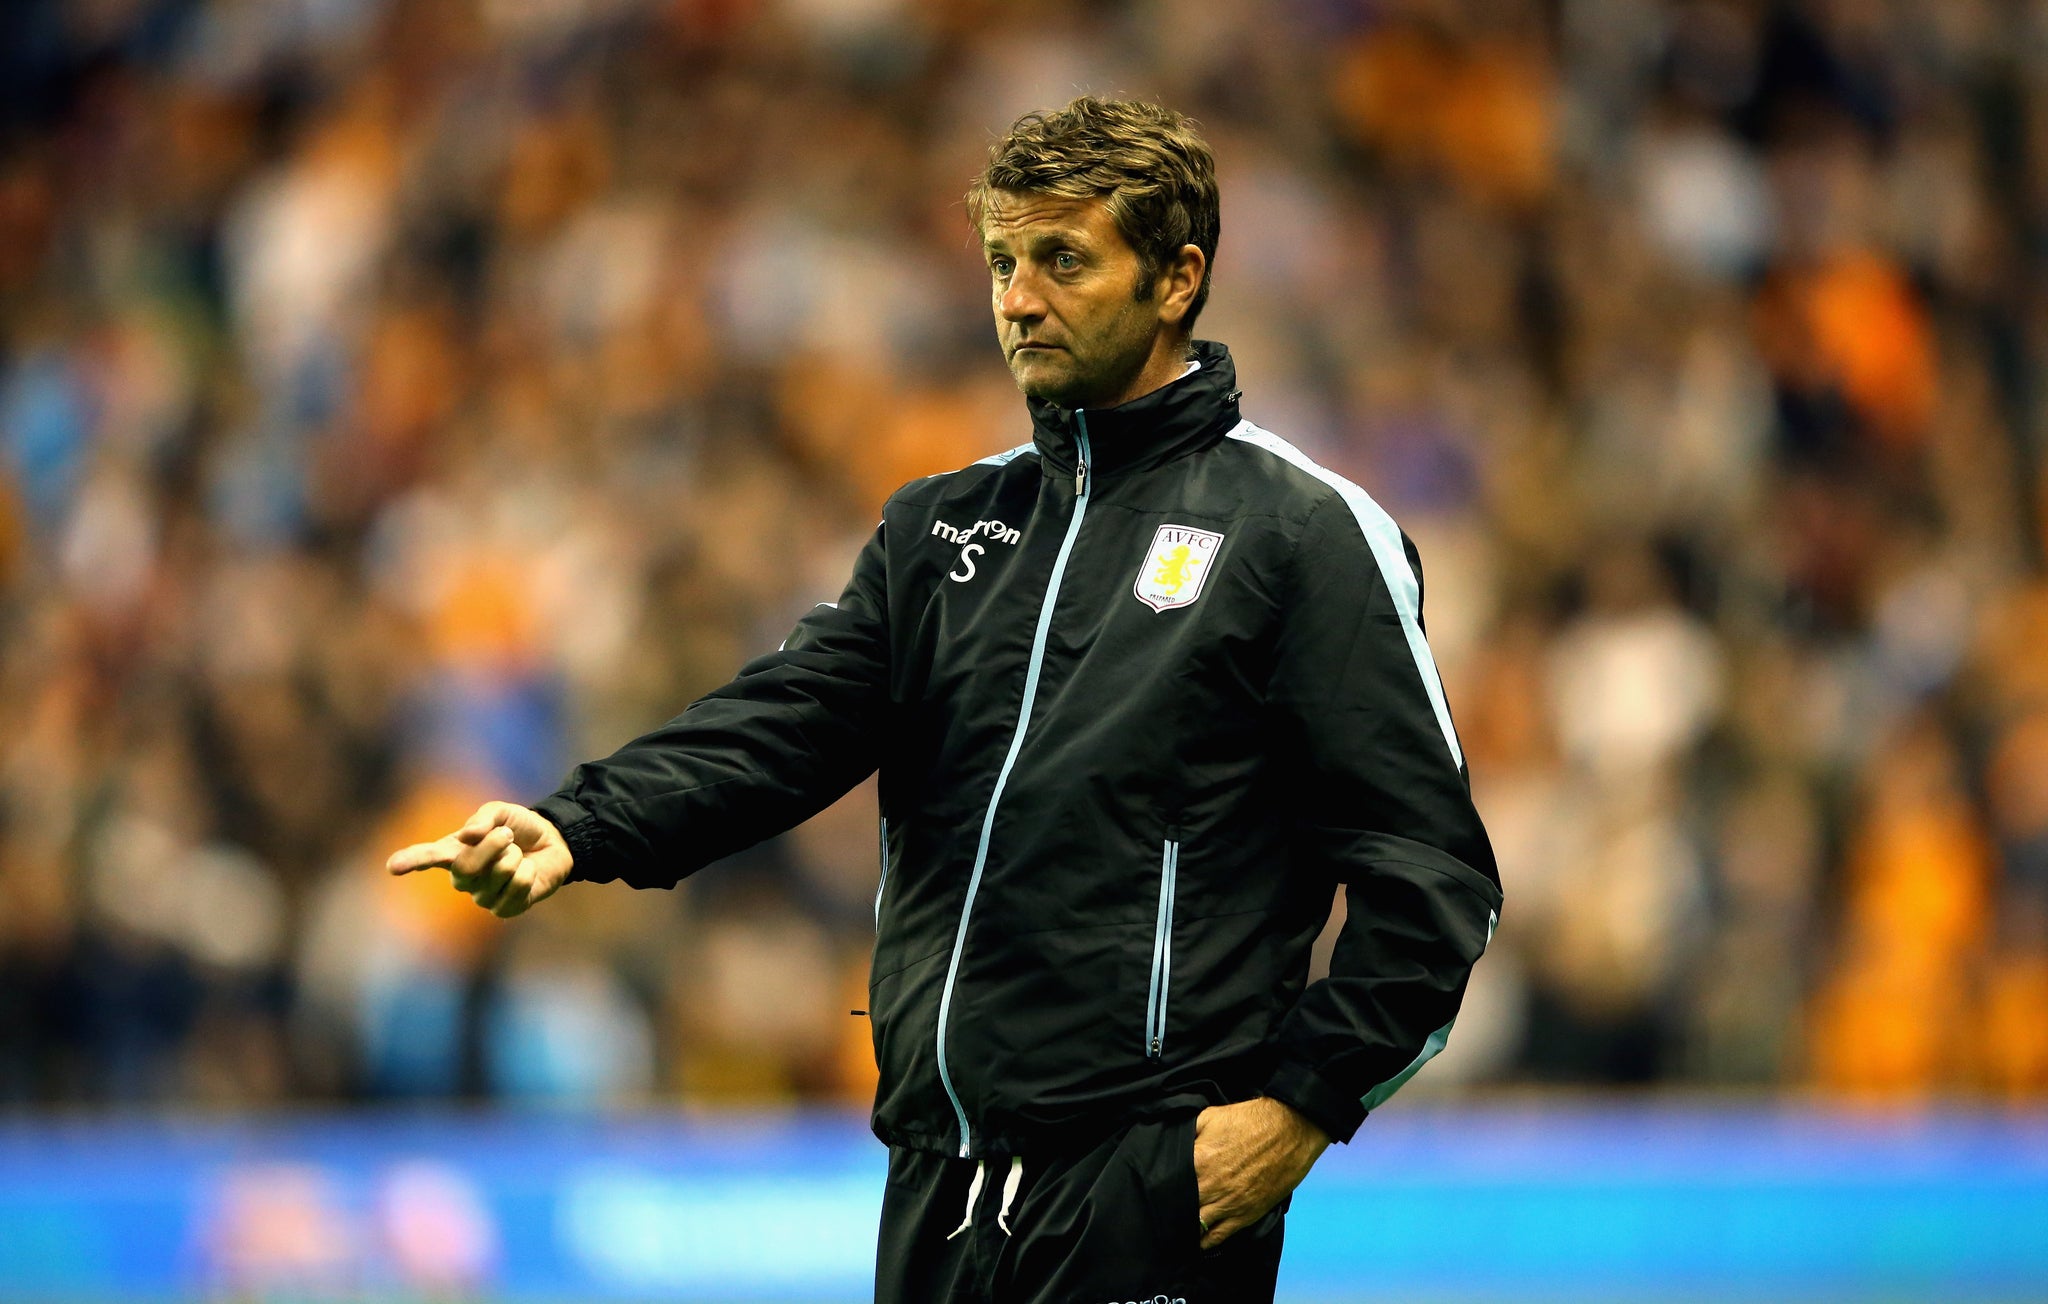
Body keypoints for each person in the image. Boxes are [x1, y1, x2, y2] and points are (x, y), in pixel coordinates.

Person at [388, 95, 1500, 1303]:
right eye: (1001, 263)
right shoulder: (943, 527)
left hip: (1145, 1182)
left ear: (1177, 278)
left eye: (1061, 260)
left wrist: (1293, 1111)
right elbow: (790, 718)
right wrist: (580, 823)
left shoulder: (1300, 533)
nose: (1017, 299)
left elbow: (1430, 878)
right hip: (935, 1183)